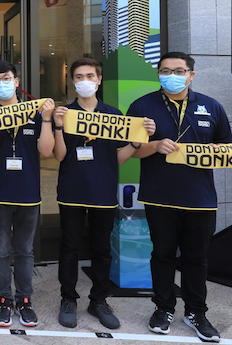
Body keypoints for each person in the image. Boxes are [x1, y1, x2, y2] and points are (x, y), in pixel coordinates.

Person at [127, 52, 232, 343]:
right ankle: (163, 308)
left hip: (200, 198)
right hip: (159, 196)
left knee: (196, 259)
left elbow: (228, 150)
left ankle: (196, 312)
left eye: (178, 70)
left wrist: (215, 153)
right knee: (161, 256)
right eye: (164, 70)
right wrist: (154, 145)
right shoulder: (141, 106)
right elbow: (130, 150)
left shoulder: (211, 107)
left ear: (191, 75)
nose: (170, 75)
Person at [52, 58, 155, 330]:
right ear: (72, 81)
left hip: (104, 193)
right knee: (69, 248)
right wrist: (59, 127)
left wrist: (135, 142)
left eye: (89, 75)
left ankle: (98, 300)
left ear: (99, 80)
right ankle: (68, 299)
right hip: (71, 191)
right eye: (78, 76)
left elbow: (120, 158)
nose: (84, 80)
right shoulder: (65, 113)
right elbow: (60, 155)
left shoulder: (114, 115)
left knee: (102, 249)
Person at [0, 60, 54, 328]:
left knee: (25, 251)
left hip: (29, 194)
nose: (1, 84)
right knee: (1, 250)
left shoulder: (36, 114)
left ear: (16, 82)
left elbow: (47, 150)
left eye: (6, 78)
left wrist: (49, 120)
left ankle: (25, 300)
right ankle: (4, 299)